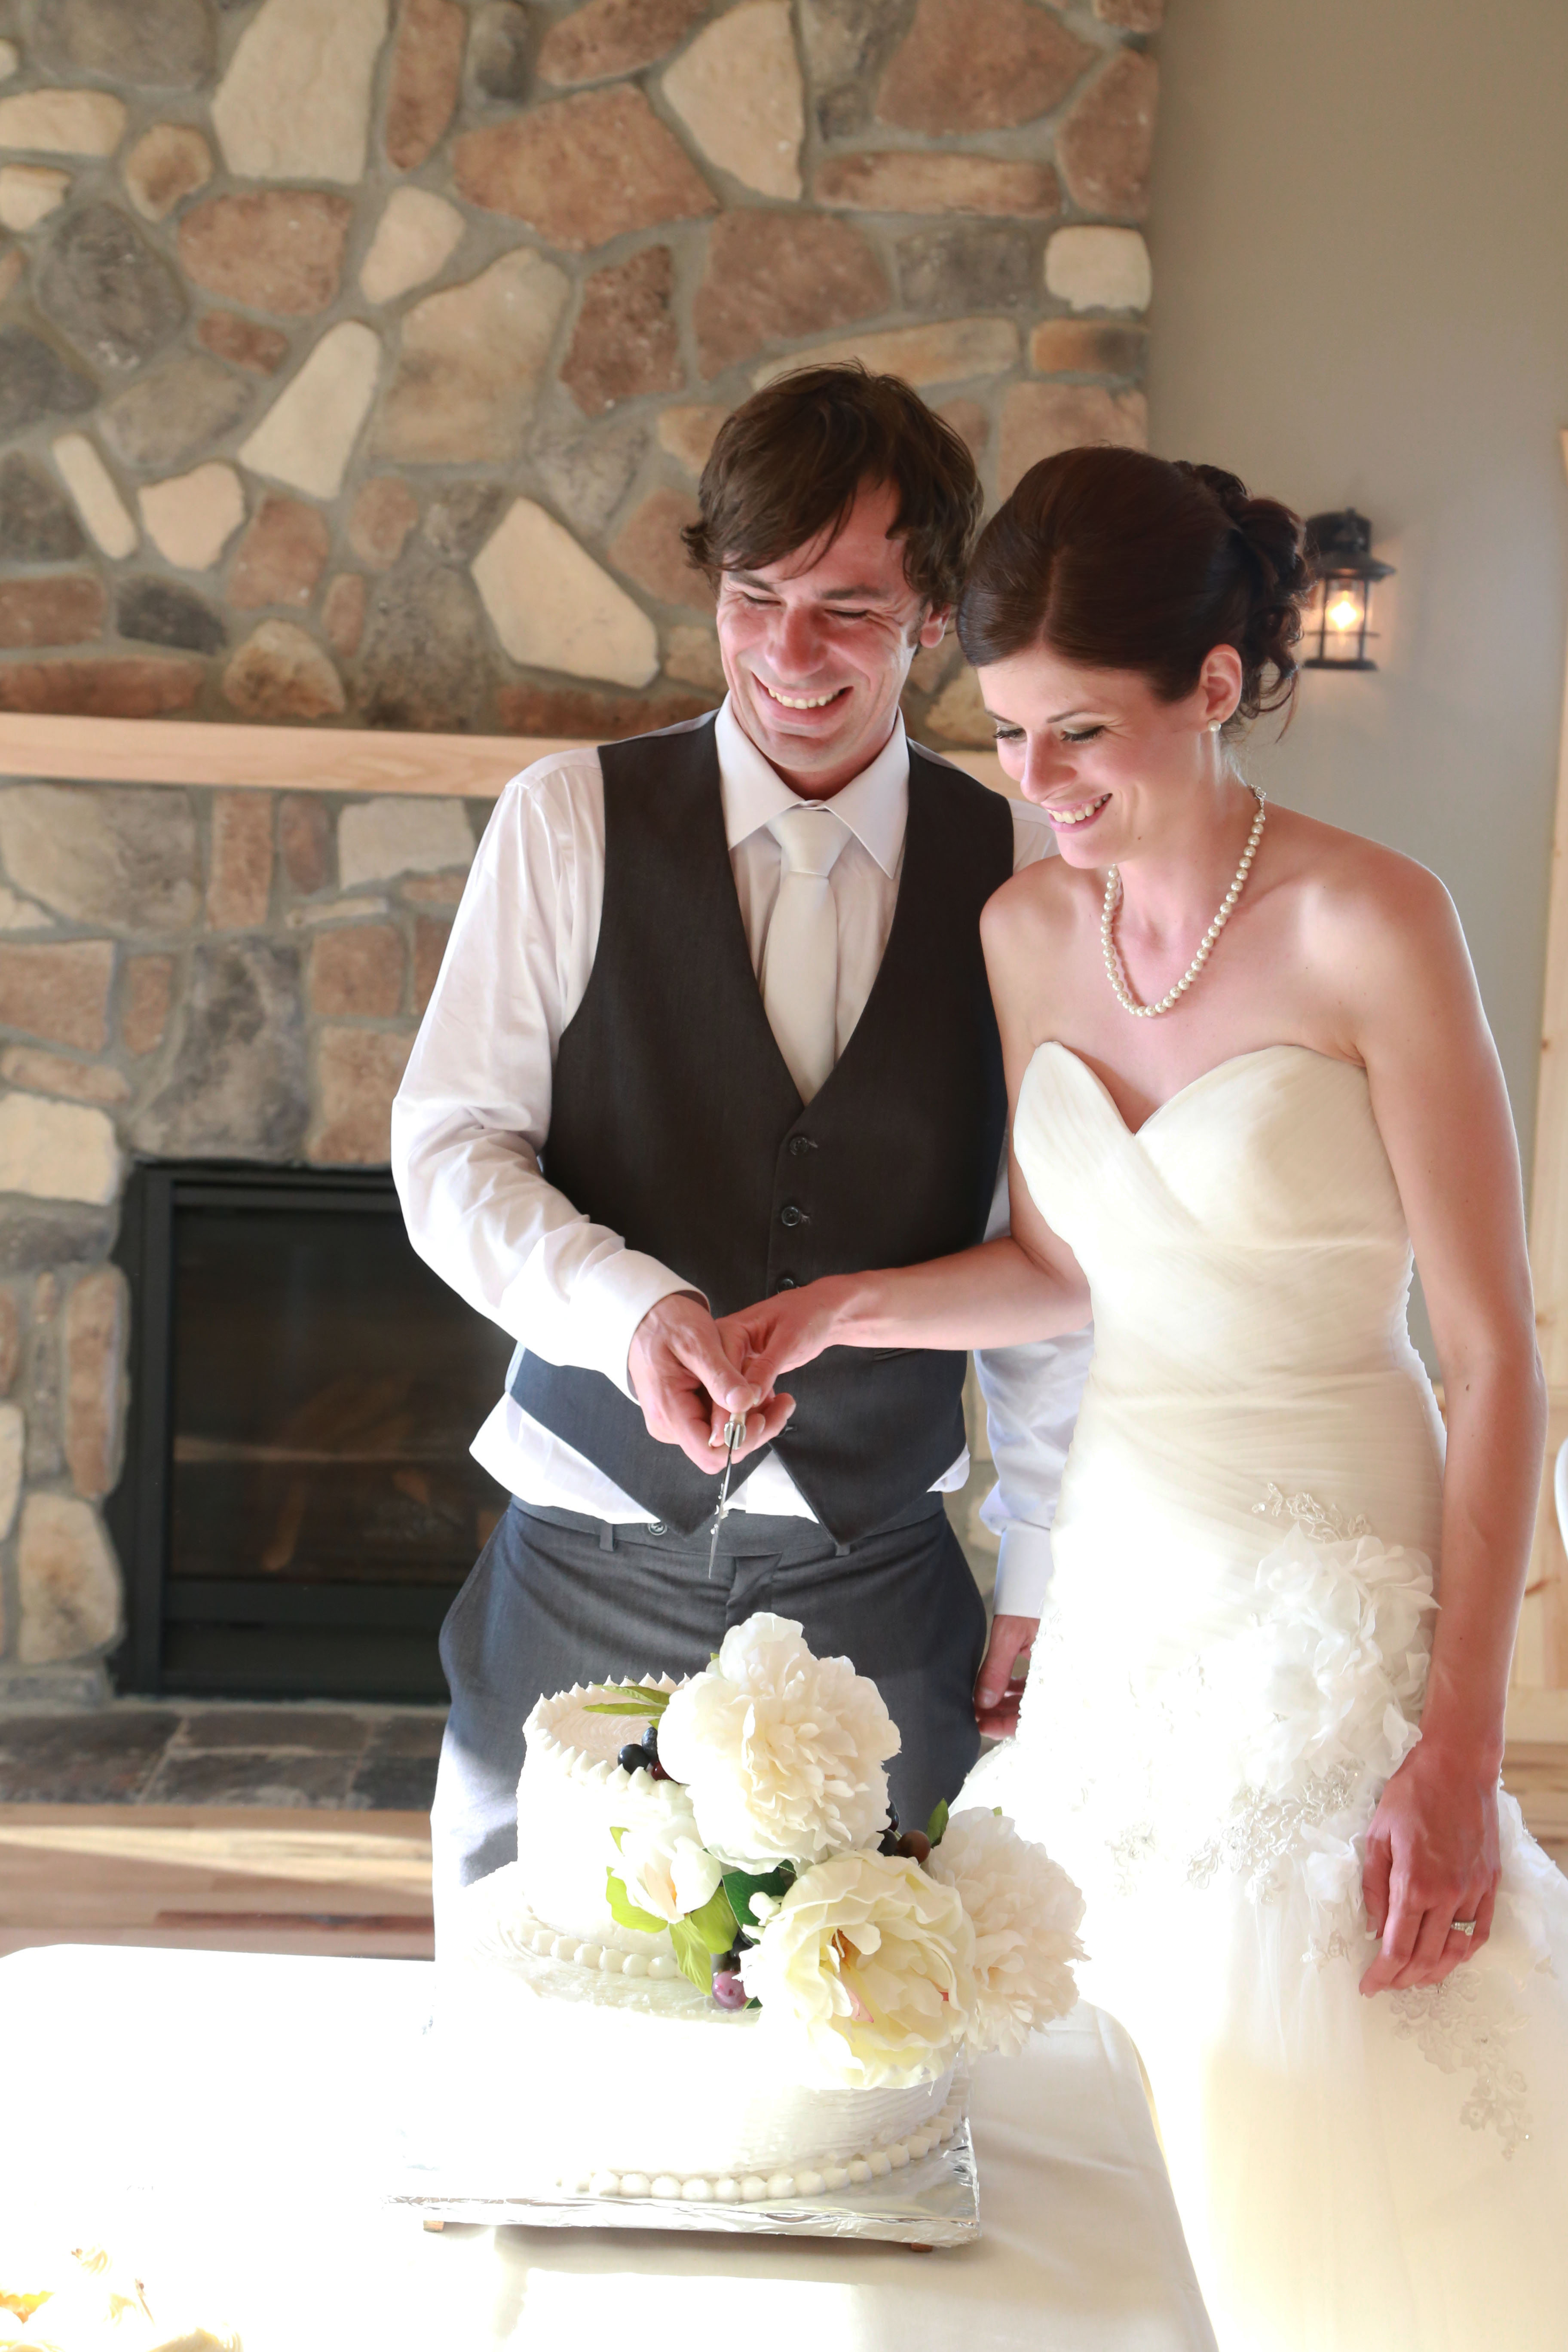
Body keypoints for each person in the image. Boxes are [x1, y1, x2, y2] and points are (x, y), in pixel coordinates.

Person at [717, 446, 1568, 2350]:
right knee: (1099, 2032)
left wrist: (1461, 1748)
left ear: (1214, 685)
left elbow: (1499, 1354)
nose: (1040, 782)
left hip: (1333, 1570)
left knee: (1330, 2036)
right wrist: (845, 1308)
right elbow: (1068, 1267)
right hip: (1125, 1570)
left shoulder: (1377, 922)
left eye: (1082, 732)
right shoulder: (1032, 932)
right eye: (1011, 733)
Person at [392, 366, 1091, 1926]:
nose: (789, 654)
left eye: (848, 610)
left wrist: (1037, 1568)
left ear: (934, 618)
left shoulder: (1023, 869)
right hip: (580, 1574)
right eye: (755, 597)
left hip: (882, 1584)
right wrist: (625, 1307)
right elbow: (450, 1153)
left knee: (882, 2027)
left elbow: (1051, 1262)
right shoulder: (567, 822)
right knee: (538, 2015)